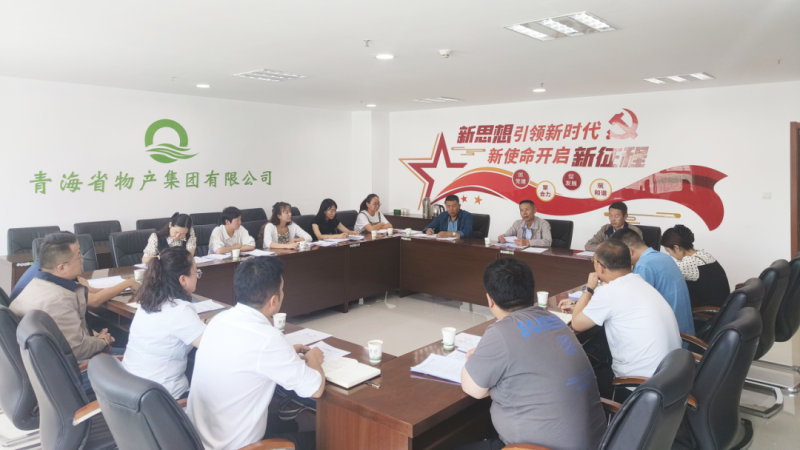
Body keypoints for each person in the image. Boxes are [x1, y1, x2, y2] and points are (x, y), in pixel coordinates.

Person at [457, 259, 606, 450]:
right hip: (597, 443)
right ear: (532, 292)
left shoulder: (501, 332)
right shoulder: (554, 319)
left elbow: (474, 390)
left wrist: (480, 359)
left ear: (490, 300)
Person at [187, 257, 325, 450]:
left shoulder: (218, 320)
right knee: (323, 440)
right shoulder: (268, 339)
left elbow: (245, 354)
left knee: (289, 424)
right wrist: (313, 359)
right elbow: (315, 389)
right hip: (235, 446)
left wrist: (285, 353)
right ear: (273, 301)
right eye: (282, 289)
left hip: (197, 440)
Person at [559, 240, 681, 397]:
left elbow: (577, 324)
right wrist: (582, 307)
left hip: (638, 387)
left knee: (579, 379)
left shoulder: (610, 292)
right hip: (670, 380)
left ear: (600, 267)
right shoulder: (639, 281)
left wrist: (588, 288)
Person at [10, 232, 115, 362]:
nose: (82, 259)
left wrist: (94, 337)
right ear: (62, 268)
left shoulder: (35, 284)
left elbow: (66, 332)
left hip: (48, 361)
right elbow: (78, 350)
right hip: (77, 367)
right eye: (79, 256)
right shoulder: (59, 299)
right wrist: (103, 341)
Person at [122, 247, 205, 400]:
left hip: (130, 389)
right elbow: (213, 346)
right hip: (163, 398)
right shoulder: (179, 310)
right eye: (196, 272)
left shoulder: (147, 302)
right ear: (183, 280)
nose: (197, 277)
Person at [611, 228, 695, 336]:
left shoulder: (644, 266)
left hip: (670, 336)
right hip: (684, 331)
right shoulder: (664, 257)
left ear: (630, 251)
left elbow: (633, 307)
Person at [10, 259, 139, 305]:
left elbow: (79, 278)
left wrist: (87, 287)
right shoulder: (47, 277)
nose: (81, 259)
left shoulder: (44, 266)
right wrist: (128, 283)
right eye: (77, 255)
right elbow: (94, 301)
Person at [662, 225, 730, 308]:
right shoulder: (703, 255)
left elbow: (663, 272)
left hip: (705, 311)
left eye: (668, 251)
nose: (670, 255)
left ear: (676, 248)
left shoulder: (688, 264)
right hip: (722, 307)